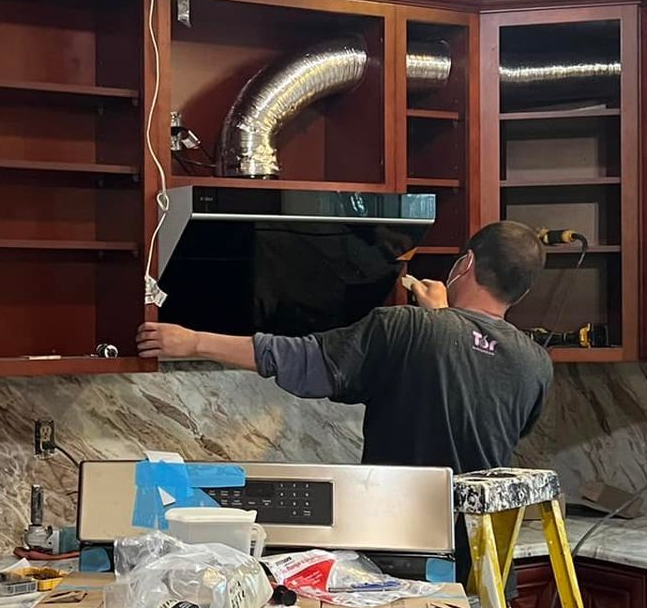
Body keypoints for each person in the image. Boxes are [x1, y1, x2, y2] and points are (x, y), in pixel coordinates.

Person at [136, 220, 553, 575]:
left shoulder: (405, 328)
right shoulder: (535, 364)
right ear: (522, 291)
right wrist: (442, 320)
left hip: (403, 561)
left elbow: (304, 361)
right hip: (484, 568)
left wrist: (194, 342)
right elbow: (473, 395)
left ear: (466, 264)